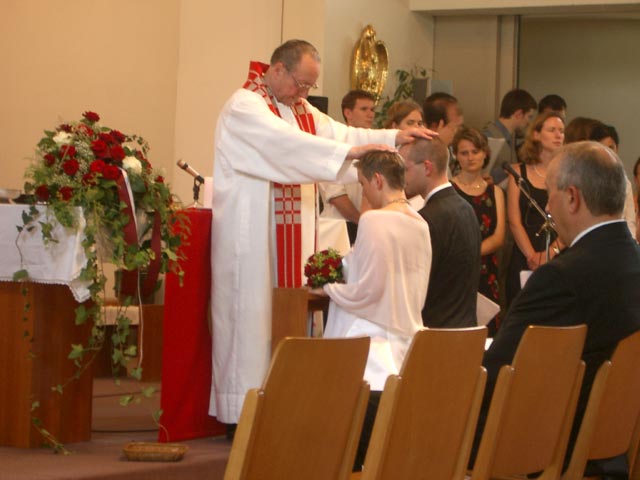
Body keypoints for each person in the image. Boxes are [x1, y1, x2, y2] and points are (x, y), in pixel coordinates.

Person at [210, 39, 433, 427]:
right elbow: (288, 145)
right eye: (301, 83)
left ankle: (284, 402)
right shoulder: (244, 106)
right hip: (252, 241)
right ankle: (243, 413)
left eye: (309, 87)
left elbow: (340, 135)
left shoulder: (299, 109)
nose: (304, 93)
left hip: (289, 234)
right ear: (277, 69)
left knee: (288, 314)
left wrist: (393, 138)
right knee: (251, 321)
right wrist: (344, 156)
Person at [476, 141, 640, 478]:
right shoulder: (633, 260)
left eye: (550, 193)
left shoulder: (562, 276)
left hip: (552, 449)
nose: (547, 206)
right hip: (616, 443)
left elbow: (497, 375)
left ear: (572, 198)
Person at [313, 149, 431, 471]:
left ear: (378, 179)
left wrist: (328, 287)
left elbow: (366, 291)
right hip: (406, 337)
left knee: (354, 446)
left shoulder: (374, 220)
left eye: (364, 185)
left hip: (371, 347)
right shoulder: (420, 222)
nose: (363, 193)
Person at [402, 137, 481, 328]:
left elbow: (413, 289)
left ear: (427, 168)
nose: (401, 177)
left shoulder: (424, 219)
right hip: (466, 331)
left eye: (405, 169)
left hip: (434, 334)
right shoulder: (466, 207)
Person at [505, 111, 564, 306]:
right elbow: (514, 220)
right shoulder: (518, 172)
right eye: (552, 130)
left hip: (558, 253)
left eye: (561, 131)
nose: (558, 135)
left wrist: (550, 253)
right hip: (524, 252)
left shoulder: (566, 174)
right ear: (537, 134)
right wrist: (532, 256)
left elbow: (570, 221)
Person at [451, 128, 506, 335]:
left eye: (475, 151)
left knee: (487, 332)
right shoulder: (449, 188)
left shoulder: (495, 191)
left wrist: (473, 254)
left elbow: (499, 237)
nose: (470, 157)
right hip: (456, 268)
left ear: (485, 153)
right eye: (464, 153)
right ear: (456, 156)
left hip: (487, 270)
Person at [319, 89, 377, 245]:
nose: (370, 114)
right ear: (348, 113)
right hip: (339, 225)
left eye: (372, 109)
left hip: (366, 223)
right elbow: (336, 196)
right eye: (364, 109)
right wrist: (362, 221)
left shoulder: (374, 147)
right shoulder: (333, 147)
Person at [483, 89, 537, 186]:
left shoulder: (510, 138)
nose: (529, 122)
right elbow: (479, 175)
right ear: (519, 114)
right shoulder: (488, 137)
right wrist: (508, 169)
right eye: (529, 116)